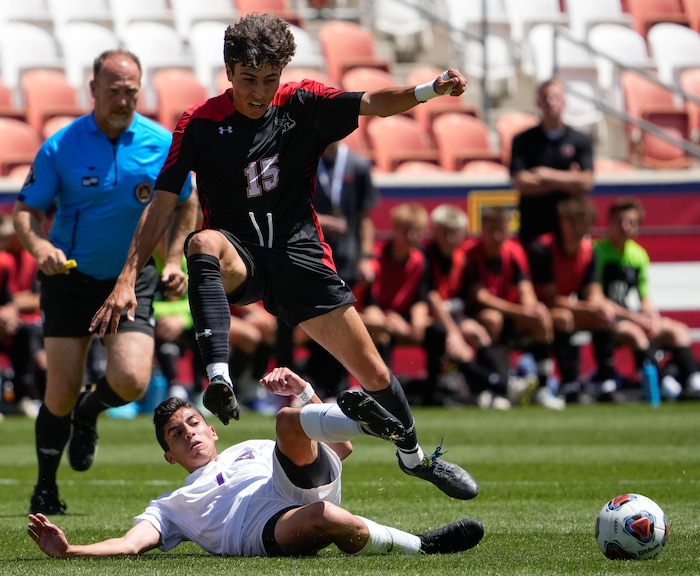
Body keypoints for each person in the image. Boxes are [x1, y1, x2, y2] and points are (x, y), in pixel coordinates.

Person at [90, 14, 479, 501]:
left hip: (301, 260)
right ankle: (218, 378)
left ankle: (414, 458)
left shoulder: (303, 101)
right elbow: (164, 202)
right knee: (201, 244)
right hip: (242, 256)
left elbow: (375, 103)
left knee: (376, 374)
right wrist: (127, 277)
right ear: (229, 72)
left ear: (282, 73)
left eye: (268, 80)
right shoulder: (198, 124)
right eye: (248, 79)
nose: (258, 92)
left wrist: (430, 89)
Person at [27, 367, 485, 558]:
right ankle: (423, 545)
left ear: (212, 430)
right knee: (326, 516)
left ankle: (386, 429)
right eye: (175, 433)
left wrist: (304, 388)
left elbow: (337, 453)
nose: (188, 432)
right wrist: (71, 551)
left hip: (296, 479)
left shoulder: (248, 446)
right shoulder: (170, 504)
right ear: (169, 455)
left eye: (193, 423)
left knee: (287, 421)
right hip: (263, 529)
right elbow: (129, 545)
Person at [13, 49, 197, 515]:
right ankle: (46, 488)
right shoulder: (61, 145)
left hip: (133, 279)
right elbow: (25, 212)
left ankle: (91, 410)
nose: (123, 99)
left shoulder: (160, 143)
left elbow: (187, 203)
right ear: (92, 90)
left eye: (131, 91)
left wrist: (174, 258)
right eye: (113, 91)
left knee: (133, 381)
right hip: (70, 279)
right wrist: (42, 250)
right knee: (59, 388)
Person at [278, 139, 377, 399]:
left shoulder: (358, 165)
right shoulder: (300, 162)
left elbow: (365, 217)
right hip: (305, 256)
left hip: (344, 257)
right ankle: (294, 389)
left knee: (338, 320)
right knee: (296, 321)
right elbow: (287, 210)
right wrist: (321, 221)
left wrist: (366, 255)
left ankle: (337, 387)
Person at [594, 197, 700, 400]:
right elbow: (599, 299)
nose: (625, 227)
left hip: (631, 315)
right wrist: (637, 319)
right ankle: (662, 383)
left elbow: (645, 296)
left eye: (632, 222)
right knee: (636, 333)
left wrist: (651, 316)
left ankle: (693, 381)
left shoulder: (639, 255)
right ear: (609, 223)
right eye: (620, 221)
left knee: (678, 331)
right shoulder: (598, 252)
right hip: (606, 318)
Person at [527, 197, 626, 407]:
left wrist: (600, 306)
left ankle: (605, 381)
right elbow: (551, 298)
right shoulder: (542, 249)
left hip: (570, 307)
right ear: (563, 222)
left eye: (585, 222)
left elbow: (593, 289)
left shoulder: (589, 251)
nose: (580, 228)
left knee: (603, 318)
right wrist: (591, 306)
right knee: (563, 318)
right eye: (575, 222)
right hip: (537, 310)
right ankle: (568, 383)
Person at [457, 207, 553, 408]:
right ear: (482, 229)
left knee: (542, 318)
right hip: (473, 316)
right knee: (492, 319)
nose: (497, 236)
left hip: (509, 313)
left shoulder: (514, 251)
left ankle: (543, 389)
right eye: (492, 230)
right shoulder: (469, 252)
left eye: (502, 230)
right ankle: (494, 387)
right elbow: (482, 297)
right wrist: (520, 311)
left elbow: (525, 287)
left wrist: (532, 307)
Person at [510, 77, 594, 248]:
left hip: (569, 230)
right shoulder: (523, 140)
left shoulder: (580, 140)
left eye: (556, 97)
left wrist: (543, 175)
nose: (551, 102)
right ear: (538, 103)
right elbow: (521, 182)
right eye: (546, 97)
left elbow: (586, 181)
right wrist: (568, 180)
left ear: (564, 101)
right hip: (533, 226)